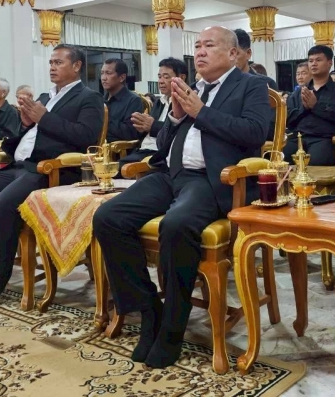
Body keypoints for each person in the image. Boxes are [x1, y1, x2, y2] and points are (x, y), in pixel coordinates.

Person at [93, 26, 271, 369]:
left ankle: (173, 328)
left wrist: (200, 111)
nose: (200, 52)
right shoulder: (191, 90)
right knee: (108, 217)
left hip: (210, 179)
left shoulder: (250, 86)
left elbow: (254, 132)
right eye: (197, 46)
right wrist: (175, 116)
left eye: (209, 45)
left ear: (232, 53)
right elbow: (162, 145)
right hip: (170, 175)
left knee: (176, 225)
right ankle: (149, 310)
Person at [0, 45, 104, 315]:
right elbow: (29, 134)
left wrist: (44, 118)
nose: (52, 67)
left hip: (48, 170)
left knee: (5, 204)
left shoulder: (89, 98)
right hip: (17, 165)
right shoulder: (45, 96)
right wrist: (27, 123)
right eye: (51, 62)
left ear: (77, 66)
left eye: (59, 62)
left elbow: (86, 137)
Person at [283, 45, 335, 165]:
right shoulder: (298, 93)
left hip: (325, 139)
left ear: (329, 63)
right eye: (310, 61)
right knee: (281, 161)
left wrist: (316, 106)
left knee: (316, 161)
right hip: (298, 138)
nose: (313, 64)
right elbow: (288, 120)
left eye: (318, 60)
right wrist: (304, 108)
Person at [123, 58, 187, 164]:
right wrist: (141, 128)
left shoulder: (184, 103)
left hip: (159, 154)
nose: (161, 81)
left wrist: (152, 126)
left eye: (166, 77)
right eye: (159, 77)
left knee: (117, 168)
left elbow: (179, 133)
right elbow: (147, 130)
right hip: (142, 150)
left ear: (182, 78)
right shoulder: (158, 102)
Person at [101, 58, 144, 143]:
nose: (103, 78)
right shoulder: (101, 99)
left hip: (118, 149)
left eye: (108, 73)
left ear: (122, 77)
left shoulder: (133, 100)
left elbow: (130, 133)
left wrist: (103, 119)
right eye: (102, 73)